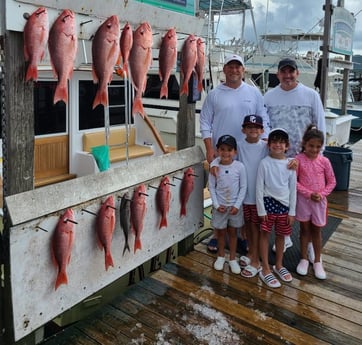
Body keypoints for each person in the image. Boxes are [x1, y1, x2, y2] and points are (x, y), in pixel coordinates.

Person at [200, 53, 270, 253]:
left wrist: (264, 146)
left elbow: (263, 119)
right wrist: (209, 148)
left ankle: (242, 235)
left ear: (243, 69)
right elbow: (204, 121)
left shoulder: (254, 93)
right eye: (230, 66)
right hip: (222, 153)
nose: (234, 70)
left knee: (244, 192)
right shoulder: (214, 94)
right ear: (224, 70)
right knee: (220, 191)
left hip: (248, 153)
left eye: (238, 66)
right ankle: (217, 234)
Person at [264, 57, 326, 256]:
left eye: (291, 72)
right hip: (278, 158)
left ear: (297, 73)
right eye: (284, 72)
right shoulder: (269, 96)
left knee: (306, 202)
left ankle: (308, 242)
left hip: (305, 159)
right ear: (278, 74)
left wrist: (318, 157)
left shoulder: (311, 95)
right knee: (281, 198)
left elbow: (320, 124)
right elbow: (265, 126)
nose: (288, 75)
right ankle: (286, 236)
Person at [256, 128, 297, 288]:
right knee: (265, 235)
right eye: (274, 141)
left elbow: (293, 190)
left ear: (287, 146)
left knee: (281, 236)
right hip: (268, 205)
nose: (277, 145)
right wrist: (261, 210)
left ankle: (278, 265)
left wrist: (292, 211)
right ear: (269, 144)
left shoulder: (290, 164)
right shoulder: (264, 163)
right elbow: (259, 188)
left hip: (284, 207)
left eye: (281, 142)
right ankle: (265, 267)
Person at [295, 125, 336, 279]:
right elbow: (294, 181)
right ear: (304, 143)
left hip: (319, 202)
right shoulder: (298, 160)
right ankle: (304, 258)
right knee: (304, 230)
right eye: (311, 146)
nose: (314, 149)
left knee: (317, 231)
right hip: (304, 202)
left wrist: (321, 194)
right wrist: (309, 193)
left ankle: (317, 261)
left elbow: (332, 181)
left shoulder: (324, 161)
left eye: (318, 147)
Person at [208, 134, 247, 274]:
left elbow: (243, 187)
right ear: (218, 150)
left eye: (229, 150)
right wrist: (217, 205)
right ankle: (220, 256)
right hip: (220, 207)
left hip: (235, 207)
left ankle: (232, 258)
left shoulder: (239, 167)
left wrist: (237, 205)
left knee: (233, 233)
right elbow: (211, 187)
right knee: (221, 232)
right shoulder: (214, 168)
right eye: (222, 149)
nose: (225, 153)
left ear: (235, 152)